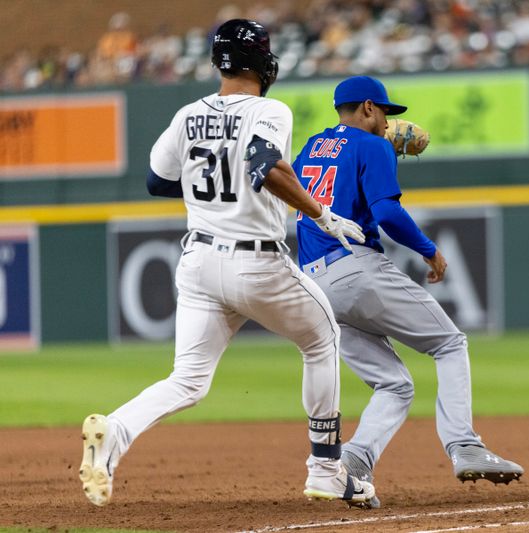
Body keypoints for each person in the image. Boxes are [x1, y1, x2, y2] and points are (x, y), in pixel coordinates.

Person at [79, 20, 375, 508]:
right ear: (262, 62)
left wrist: (211, 185)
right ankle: (325, 467)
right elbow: (262, 162)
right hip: (255, 263)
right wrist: (320, 213)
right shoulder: (269, 108)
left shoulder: (187, 114)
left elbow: (157, 181)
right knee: (322, 338)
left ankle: (115, 433)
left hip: (197, 263)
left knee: (188, 380)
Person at [292, 75, 524, 508]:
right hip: (355, 269)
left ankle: (355, 461)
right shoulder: (375, 146)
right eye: (383, 112)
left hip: (314, 286)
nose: (387, 122)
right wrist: (429, 251)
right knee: (450, 344)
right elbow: (386, 213)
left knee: (394, 384)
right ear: (366, 107)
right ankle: (464, 444)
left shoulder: (308, 148)